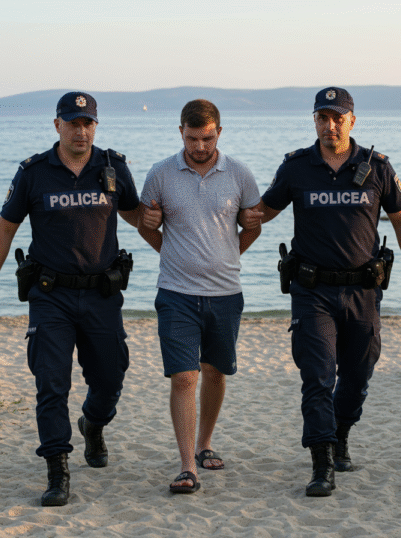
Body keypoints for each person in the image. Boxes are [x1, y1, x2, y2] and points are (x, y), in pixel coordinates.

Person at [245, 87, 401, 497]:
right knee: (317, 376)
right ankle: (322, 462)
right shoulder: (296, 167)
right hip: (312, 292)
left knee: (358, 377)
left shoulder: (377, 167)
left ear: (351, 121)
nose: (329, 125)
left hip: (364, 291)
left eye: (337, 118)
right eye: (322, 118)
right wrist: (218, 222)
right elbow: (260, 213)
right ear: (314, 121)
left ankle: (341, 432)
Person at [0, 91, 140, 507]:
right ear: (57, 126)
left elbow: (138, 215)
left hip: (102, 295)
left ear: (95, 127)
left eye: (88, 124)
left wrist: (171, 231)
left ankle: (94, 424)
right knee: (51, 383)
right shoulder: (34, 172)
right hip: (51, 298)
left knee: (110, 378)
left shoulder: (113, 166)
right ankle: (57, 470)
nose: (81, 131)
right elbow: (5, 229)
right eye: (73, 123)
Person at [138, 99, 261, 494]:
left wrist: (227, 256)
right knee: (184, 377)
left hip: (226, 294)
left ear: (219, 133)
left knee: (215, 371)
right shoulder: (160, 174)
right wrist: (168, 248)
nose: (200, 146)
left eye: (207, 138)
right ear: (180, 133)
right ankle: (187, 465)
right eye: (192, 138)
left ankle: (205, 443)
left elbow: (253, 224)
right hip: (175, 293)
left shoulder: (240, 174)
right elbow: (146, 224)